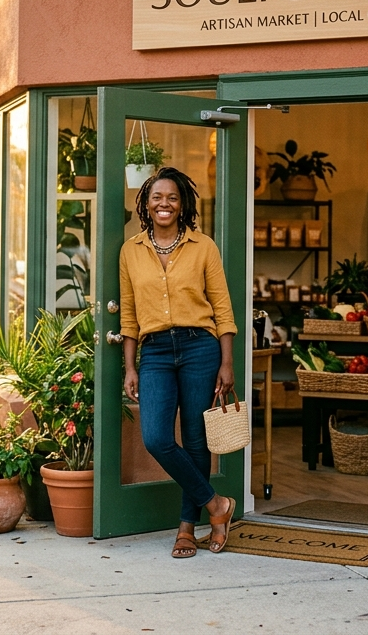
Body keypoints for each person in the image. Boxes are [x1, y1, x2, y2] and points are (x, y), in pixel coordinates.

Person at [119, 167, 238, 560]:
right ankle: (217, 505)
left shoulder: (204, 246)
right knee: (155, 437)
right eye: (156, 197)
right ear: (146, 204)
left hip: (199, 348)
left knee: (196, 438)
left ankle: (187, 527)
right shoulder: (131, 250)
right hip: (153, 351)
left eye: (172, 197)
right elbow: (130, 316)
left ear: (182, 203)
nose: (164, 203)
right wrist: (130, 366)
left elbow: (222, 307)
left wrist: (226, 361)